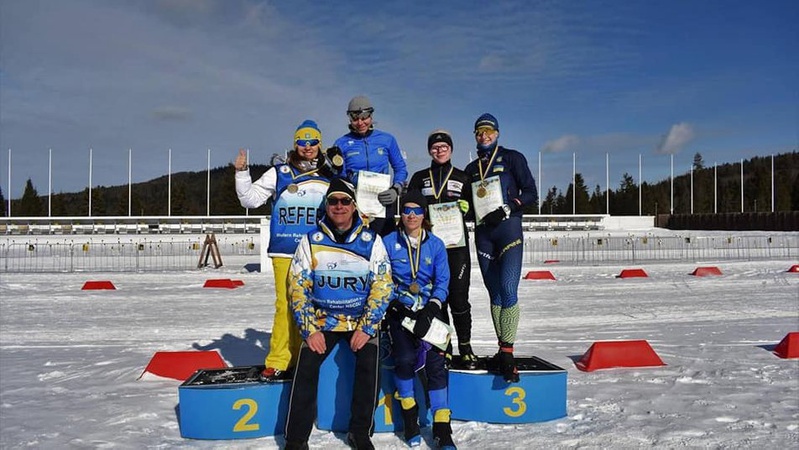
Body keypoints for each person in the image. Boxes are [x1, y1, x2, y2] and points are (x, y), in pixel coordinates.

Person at [283, 178, 394, 450]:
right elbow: (297, 286)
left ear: (354, 206)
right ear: (327, 205)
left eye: (345, 201)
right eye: (333, 201)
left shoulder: (371, 241)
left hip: (359, 321)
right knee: (305, 367)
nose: (339, 206)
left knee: (370, 366)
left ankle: (360, 432)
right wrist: (309, 330)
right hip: (323, 320)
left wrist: (367, 327)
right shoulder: (312, 240)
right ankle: (296, 439)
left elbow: (383, 285)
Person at [234, 119, 334, 382]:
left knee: (319, 306)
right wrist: (242, 173)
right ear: (295, 144)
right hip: (286, 251)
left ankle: (310, 358)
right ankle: (280, 360)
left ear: (320, 144)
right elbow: (250, 200)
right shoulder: (279, 172)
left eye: (313, 142)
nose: (308, 147)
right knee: (286, 306)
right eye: (303, 141)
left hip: (318, 251)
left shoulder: (330, 174)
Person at [463, 113, 538, 383]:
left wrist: (508, 207)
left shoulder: (513, 158)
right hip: (484, 235)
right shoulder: (471, 169)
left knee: (508, 289)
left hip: (508, 230)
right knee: (494, 293)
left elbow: (531, 193)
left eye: (489, 131)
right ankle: (502, 348)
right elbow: (467, 204)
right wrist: (462, 209)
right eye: (479, 132)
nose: (484, 136)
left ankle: (508, 352)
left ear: (497, 133)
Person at [383, 190, 456, 449]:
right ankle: (410, 418)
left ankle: (442, 428)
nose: (411, 215)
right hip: (400, 311)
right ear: (400, 214)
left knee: (437, 365)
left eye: (417, 210)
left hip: (429, 312)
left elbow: (443, 281)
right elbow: (383, 278)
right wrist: (396, 306)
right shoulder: (389, 242)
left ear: (424, 214)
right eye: (406, 210)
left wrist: (431, 309)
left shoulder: (435, 244)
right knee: (403, 358)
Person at [408, 129, 477, 370]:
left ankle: (466, 348)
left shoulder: (463, 177)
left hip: (456, 247)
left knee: (459, 298)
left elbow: (475, 211)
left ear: (451, 149)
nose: (439, 150)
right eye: (435, 147)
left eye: (443, 146)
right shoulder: (419, 177)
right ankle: (443, 347)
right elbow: (410, 208)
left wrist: (468, 209)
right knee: (438, 299)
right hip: (429, 248)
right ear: (429, 150)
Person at [329, 95, 408, 237]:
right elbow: (339, 179)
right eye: (354, 118)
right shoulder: (341, 143)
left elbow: (400, 168)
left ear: (371, 116)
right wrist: (337, 169)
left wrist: (396, 189)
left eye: (364, 117)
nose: (360, 122)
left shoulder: (387, 139)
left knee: (384, 244)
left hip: (383, 202)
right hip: (356, 204)